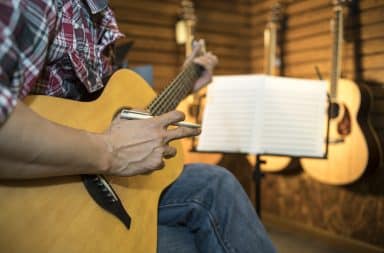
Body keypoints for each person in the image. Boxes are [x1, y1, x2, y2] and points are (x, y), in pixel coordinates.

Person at [0, 0, 276, 252]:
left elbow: (101, 114)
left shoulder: (96, 14)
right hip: (34, 212)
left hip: (83, 191)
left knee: (215, 186)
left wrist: (185, 83)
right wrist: (110, 151)